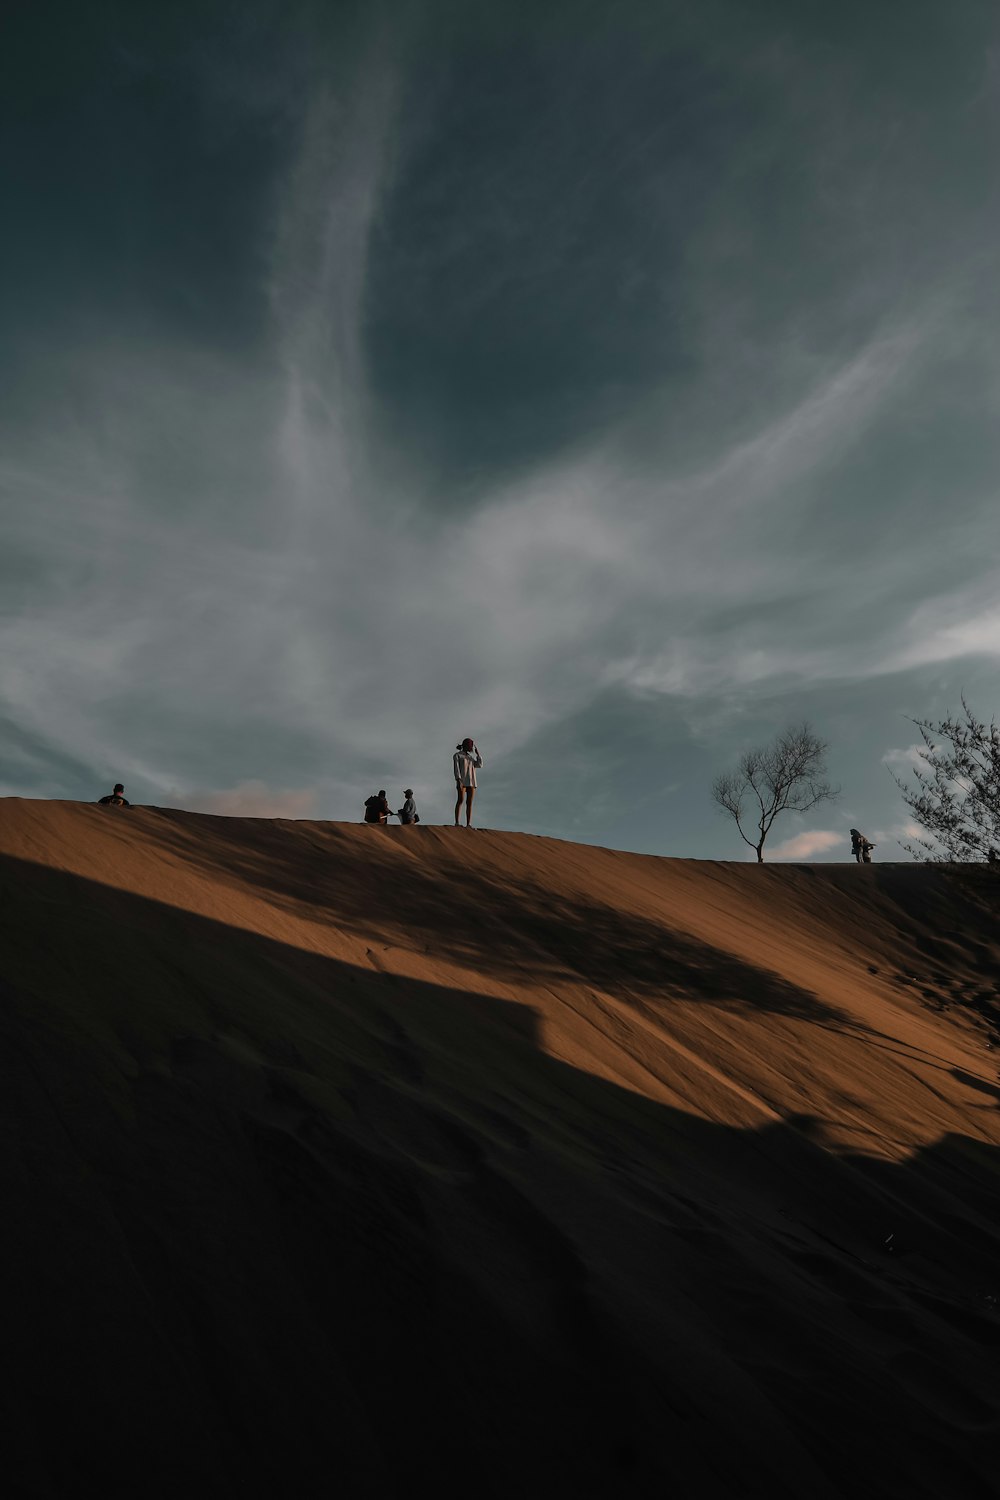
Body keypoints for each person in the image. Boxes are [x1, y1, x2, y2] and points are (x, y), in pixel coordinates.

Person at [453, 738, 483, 827]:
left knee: (469, 802)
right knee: (460, 800)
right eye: (470, 746)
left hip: (472, 782)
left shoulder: (470, 757)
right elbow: (456, 769)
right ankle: (457, 822)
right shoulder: (457, 755)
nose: (471, 748)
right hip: (462, 781)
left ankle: (468, 824)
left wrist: (478, 754)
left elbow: (479, 765)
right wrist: (458, 780)